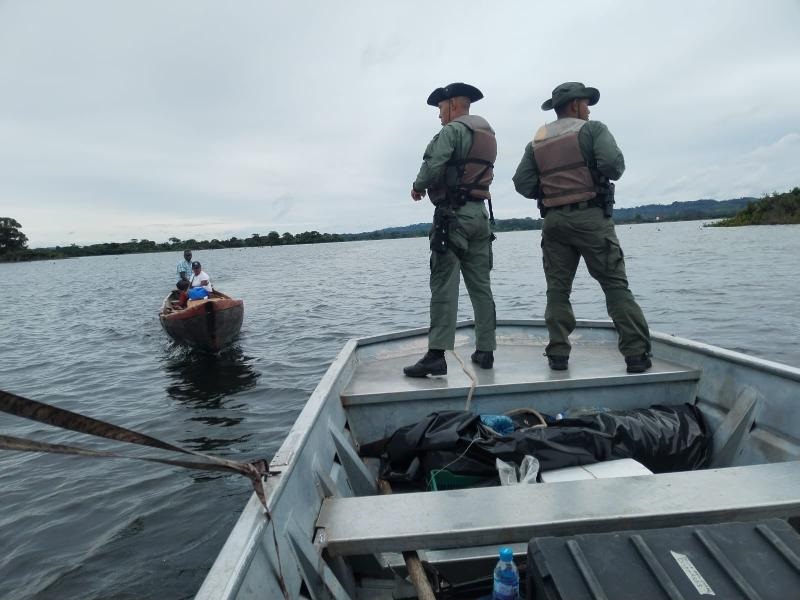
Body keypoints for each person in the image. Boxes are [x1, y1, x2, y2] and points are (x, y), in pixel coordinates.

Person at [512, 82, 652, 374]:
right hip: (590, 218)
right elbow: (613, 165)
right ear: (575, 105)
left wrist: (552, 190)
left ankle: (558, 356)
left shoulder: (537, 141)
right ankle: (636, 356)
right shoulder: (593, 130)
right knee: (615, 286)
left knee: (557, 290)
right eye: (586, 103)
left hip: (553, 222)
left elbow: (522, 183)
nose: (588, 109)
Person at [403, 82, 498, 378]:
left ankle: (436, 356)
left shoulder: (451, 132)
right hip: (480, 217)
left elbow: (434, 166)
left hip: (453, 217)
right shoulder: (487, 133)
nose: (439, 115)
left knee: (444, 285)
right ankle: (485, 350)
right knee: (481, 287)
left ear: (454, 105)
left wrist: (418, 187)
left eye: (441, 108)